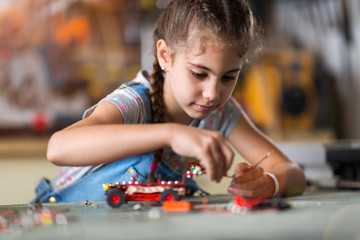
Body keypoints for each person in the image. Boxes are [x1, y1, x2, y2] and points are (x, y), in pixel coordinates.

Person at [33, 0, 306, 203]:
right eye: (199, 74)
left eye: (228, 77)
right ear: (165, 56)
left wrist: (267, 183)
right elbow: (58, 148)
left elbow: (291, 172)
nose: (212, 93)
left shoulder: (220, 113)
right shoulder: (135, 103)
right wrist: (172, 134)